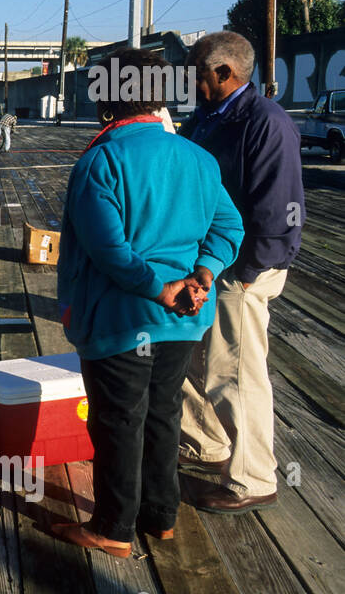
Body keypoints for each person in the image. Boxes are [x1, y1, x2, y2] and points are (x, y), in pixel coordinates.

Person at [52, 49, 244, 556]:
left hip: (122, 320)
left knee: (117, 420)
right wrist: (201, 275)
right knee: (163, 414)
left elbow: (109, 250)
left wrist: (159, 288)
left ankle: (112, 529)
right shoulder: (198, 159)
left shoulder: (103, 160)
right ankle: (161, 517)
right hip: (182, 321)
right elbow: (229, 226)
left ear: (110, 98)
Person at [177, 31, 304, 513]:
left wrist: (250, 272)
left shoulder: (266, 122)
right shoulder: (207, 118)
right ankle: (211, 444)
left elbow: (282, 204)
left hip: (242, 268)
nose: (189, 79)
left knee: (235, 371)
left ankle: (253, 477)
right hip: (209, 263)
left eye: (195, 70)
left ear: (224, 73)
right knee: (186, 359)